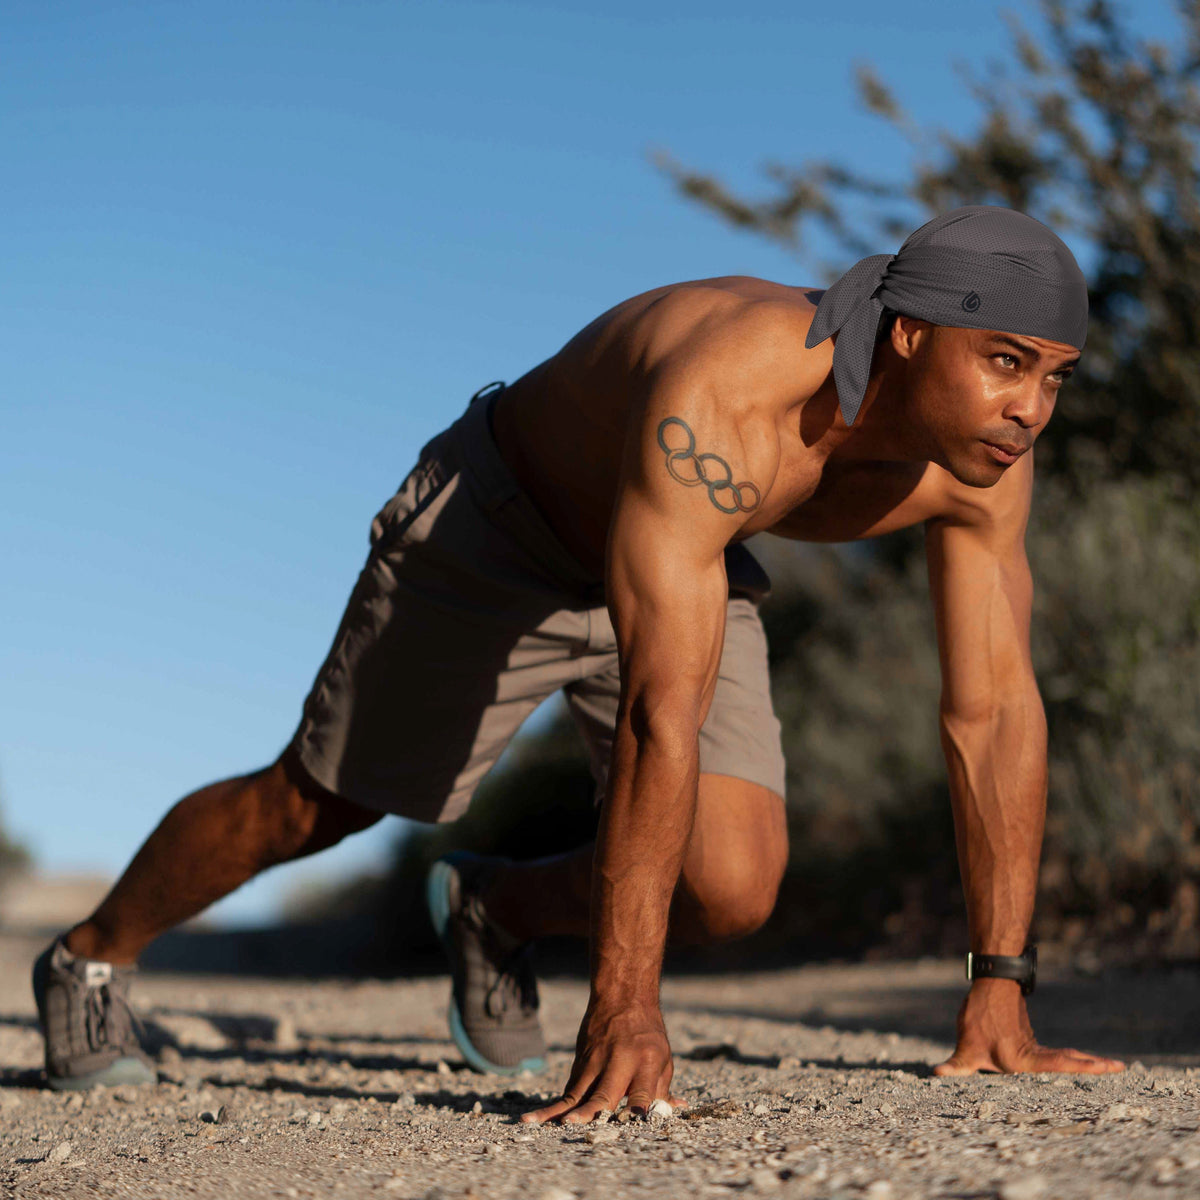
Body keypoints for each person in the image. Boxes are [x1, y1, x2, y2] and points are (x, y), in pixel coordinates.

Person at [33, 205, 1125, 1109]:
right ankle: (90, 953)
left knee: (732, 888)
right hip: (503, 533)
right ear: (910, 336)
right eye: (1006, 363)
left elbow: (994, 714)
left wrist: (1001, 985)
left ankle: (494, 909)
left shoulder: (980, 463)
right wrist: (625, 1007)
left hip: (688, 556)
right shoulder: (735, 389)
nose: (1031, 409)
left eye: (1056, 378)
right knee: (316, 806)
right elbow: (661, 715)